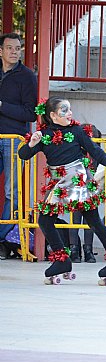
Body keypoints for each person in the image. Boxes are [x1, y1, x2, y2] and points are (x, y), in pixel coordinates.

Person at [18, 97, 106, 285]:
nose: (69, 113)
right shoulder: (43, 134)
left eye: (70, 110)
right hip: (60, 183)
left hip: (78, 180)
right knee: (45, 220)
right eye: (64, 110)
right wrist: (30, 144)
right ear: (52, 115)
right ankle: (62, 259)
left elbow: (95, 151)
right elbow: (24, 155)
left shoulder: (76, 131)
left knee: (93, 220)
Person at [0, 33, 38, 245]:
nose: (14, 52)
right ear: (1, 51)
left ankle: (3, 237)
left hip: (13, 139)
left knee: (11, 191)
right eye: (10, 48)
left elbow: (30, 113)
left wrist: (2, 106)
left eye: (18, 48)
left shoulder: (27, 76)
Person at [68, 124, 102, 263]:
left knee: (90, 222)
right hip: (76, 190)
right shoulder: (74, 151)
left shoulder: (98, 153)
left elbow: (102, 171)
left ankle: (88, 249)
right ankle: (74, 249)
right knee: (75, 220)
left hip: (91, 191)